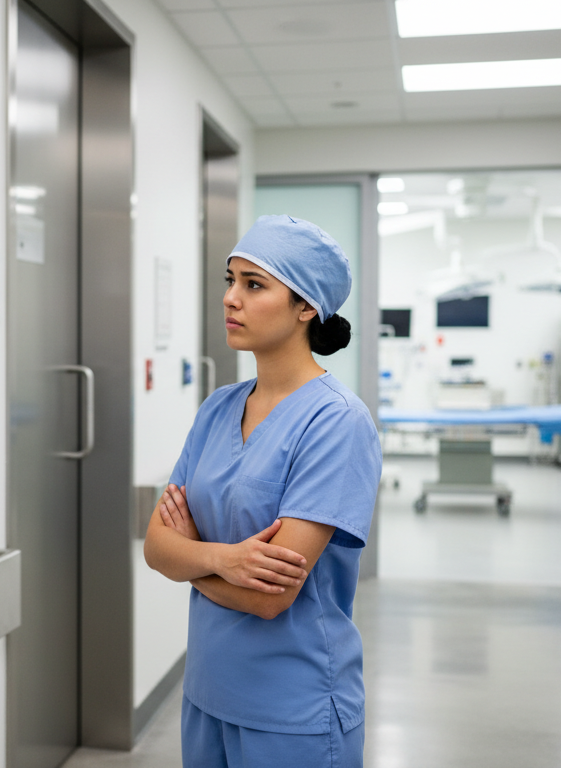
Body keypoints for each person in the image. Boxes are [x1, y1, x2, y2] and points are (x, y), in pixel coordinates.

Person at [144, 214, 381, 768]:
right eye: (230, 280)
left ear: (306, 307)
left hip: (293, 708)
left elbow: (268, 596)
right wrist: (226, 559)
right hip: (207, 693)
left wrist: (190, 562)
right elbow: (156, 547)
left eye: (254, 284)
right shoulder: (217, 408)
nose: (231, 298)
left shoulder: (337, 423)